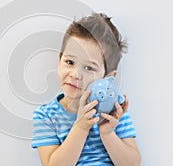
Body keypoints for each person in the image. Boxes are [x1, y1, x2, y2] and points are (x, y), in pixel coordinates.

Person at [32, 13, 141, 166]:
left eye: (89, 68)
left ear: (108, 77)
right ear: (59, 60)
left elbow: (133, 164)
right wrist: (81, 127)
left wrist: (107, 133)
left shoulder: (115, 112)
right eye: (70, 62)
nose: (75, 74)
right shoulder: (46, 116)